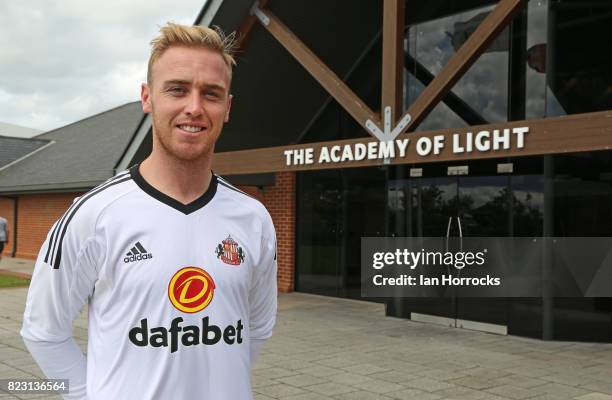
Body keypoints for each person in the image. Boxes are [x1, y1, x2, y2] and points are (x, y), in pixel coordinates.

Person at [21, 23, 277, 400]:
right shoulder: (93, 215)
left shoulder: (253, 218)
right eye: (177, 89)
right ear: (147, 97)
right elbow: (43, 332)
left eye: (211, 94)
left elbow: (256, 329)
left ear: (227, 108)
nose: (194, 107)